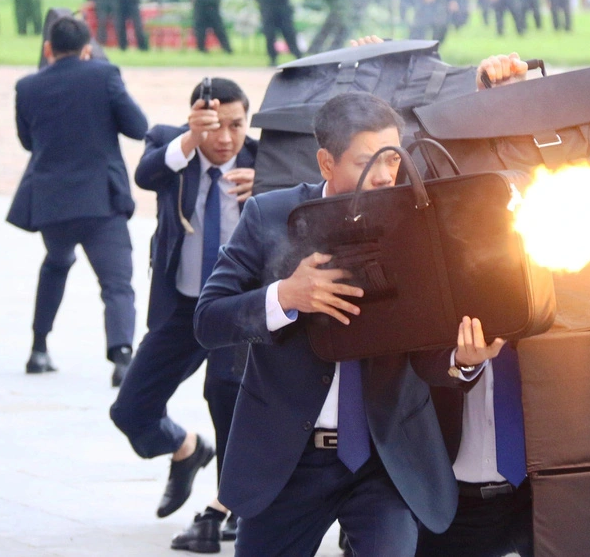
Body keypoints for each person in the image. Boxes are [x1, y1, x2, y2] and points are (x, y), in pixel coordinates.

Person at [194, 91, 505, 556]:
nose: (384, 176)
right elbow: (208, 320)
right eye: (367, 162)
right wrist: (285, 296)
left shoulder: (417, 224)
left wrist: (463, 360)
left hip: (385, 460)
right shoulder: (269, 216)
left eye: (391, 160)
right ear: (325, 162)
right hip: (287, 459)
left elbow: (427, 350)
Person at [110, 78, 257, 553]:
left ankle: (234, 503)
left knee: (226, 394)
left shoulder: (265, 159)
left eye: (236, 125)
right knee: (130, 408)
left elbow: (313, 195)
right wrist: (190, 139)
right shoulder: (170, 142)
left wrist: (270, 186)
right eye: (214, 127)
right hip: (183, 304)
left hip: (237, 309)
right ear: (195, 119)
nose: (226, 139)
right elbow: (147, 174)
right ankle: (186, 448)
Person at [416, 54, 534, 557]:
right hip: (455, 502)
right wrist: (462, 363)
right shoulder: (435, 275)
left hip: (544, 492)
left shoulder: (556, 262)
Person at [6, 16, 148, 385]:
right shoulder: (103, 74)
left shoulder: (28, 86)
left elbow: (28, 141)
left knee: (56, 263)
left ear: (48, 49)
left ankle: (38, 349)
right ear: (87, 48)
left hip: (51, 200)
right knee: (116, 283)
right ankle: (121, 358)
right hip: (101, 201)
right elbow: (137, 126)